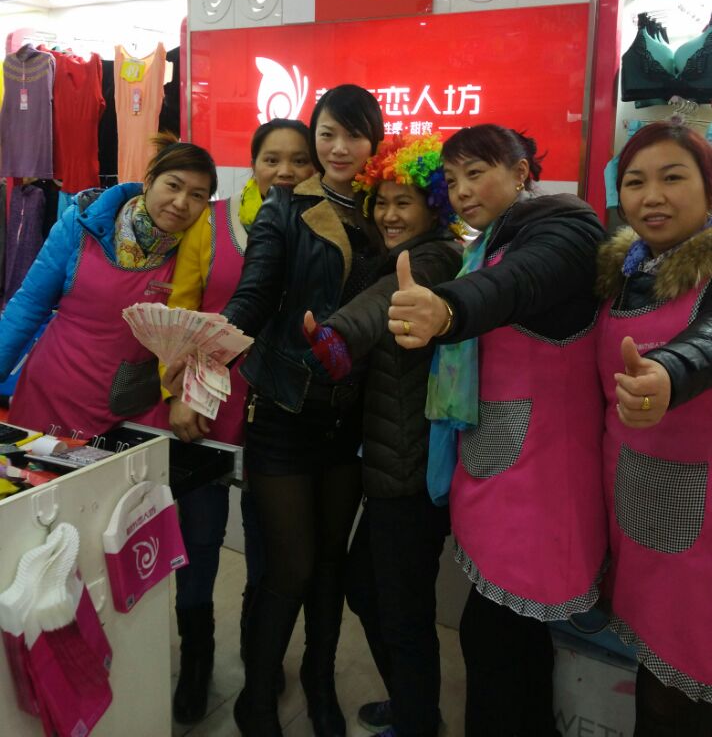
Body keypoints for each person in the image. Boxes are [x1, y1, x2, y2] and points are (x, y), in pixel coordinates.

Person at [386, 124, 607, 737]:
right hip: (498, 478)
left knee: (494, 647)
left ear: (521, 172)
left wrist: (447, 308)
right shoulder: (489, 242)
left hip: (541, 488)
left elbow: (515, 285)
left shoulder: (566, 227)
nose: (462, 191)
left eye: (476, 173)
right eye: (452, 179)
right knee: (510, 646)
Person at [218, 84, 384, 737]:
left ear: (373, 141)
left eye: (353, 134)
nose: (339, 147)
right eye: (327, 134)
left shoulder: (383, 209)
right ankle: (257, 696)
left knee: (330, 564)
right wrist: (210, 345)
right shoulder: (284, 209)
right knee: (289, 567)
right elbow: (254, 295)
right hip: (285, 410)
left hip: (348, 417)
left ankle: (320, 684)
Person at [302, 133, 463, 737]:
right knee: (371, 590)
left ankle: (418, 722)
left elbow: (382, 302)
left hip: (411, 471)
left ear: (434, 206)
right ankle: (414, 706)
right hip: (394, 462)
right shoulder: (413, 251)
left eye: (405, 202)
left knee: (401, 610)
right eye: (383, 202)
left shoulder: (432, 258)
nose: (391, 214)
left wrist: (337, 334)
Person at [158, 118, 314, 724]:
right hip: (207, 409)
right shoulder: (212, 222)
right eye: (271, 159)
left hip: (278, 416)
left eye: (299, 160)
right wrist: (181, 390)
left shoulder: (321, 229)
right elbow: (182, 310)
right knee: (200, 540)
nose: (285, 172)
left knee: (267, 544)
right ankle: (197, 656)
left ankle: (259, 648)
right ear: (252, 165)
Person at [595, 121, 712, 736]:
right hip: (636, 502)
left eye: (673, 177)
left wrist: (668, 373)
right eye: (636, 182)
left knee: (684, 686)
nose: (652, 197)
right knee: (655, 671)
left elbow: (706, 342)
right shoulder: (620, 273)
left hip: (702, 517)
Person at [0, 134, 216, 440]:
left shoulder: (198, 250)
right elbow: (29, 304)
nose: (181, 203)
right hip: (49, 391)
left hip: (130, 409)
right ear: (149, 181)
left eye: (197, 195)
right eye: (173, 185)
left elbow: (199, 332)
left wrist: (185, 395)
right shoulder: (84, 221)